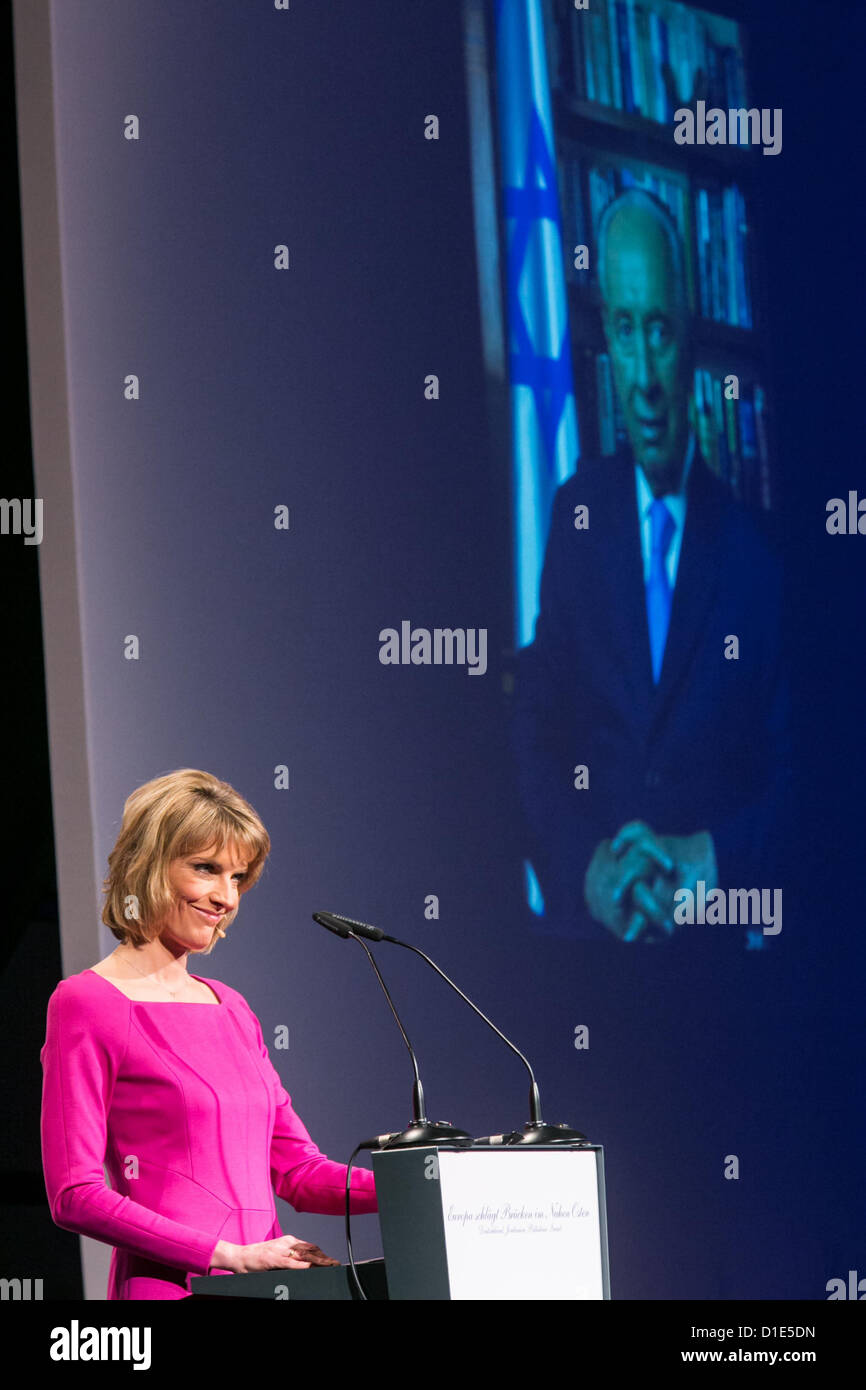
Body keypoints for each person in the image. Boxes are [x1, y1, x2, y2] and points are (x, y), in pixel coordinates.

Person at [510, 188, 788, 942]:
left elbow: (804, 781)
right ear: (607, 336)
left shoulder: (758, 557)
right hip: (592, 952)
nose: (644, 378)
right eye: (625, 331)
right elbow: (534, 737)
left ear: (690, 340)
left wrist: (712, 858)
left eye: (659, 330)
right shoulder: (576, 516)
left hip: (722, 971)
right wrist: (589, 867)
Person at [40, 768, 378, 1299]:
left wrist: (426, 1183)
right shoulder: (87, 1002)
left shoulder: (232, 1007)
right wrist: (229, 1257)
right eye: (206, 869)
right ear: (147, 867)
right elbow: (74, 1194)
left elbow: (299, 1173)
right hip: (174, 1289)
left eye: (238, 877)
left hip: (265, 1285)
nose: (227, 897)